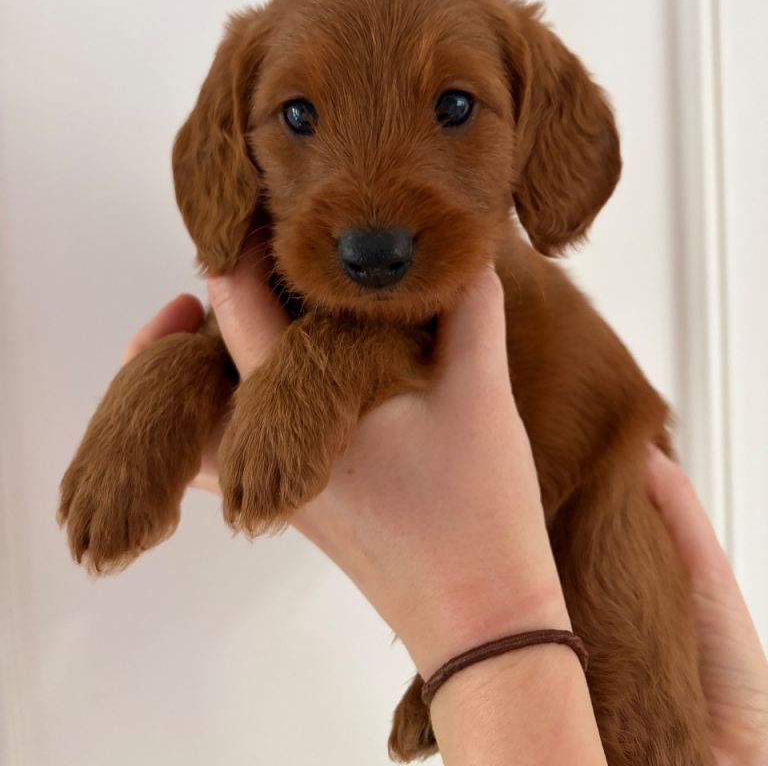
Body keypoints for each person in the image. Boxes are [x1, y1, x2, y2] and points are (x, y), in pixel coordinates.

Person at [125, 263, 768, 765]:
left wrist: (478, 630)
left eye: (453, 111)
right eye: (299, 118)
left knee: (639, 713)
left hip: (596, 483)